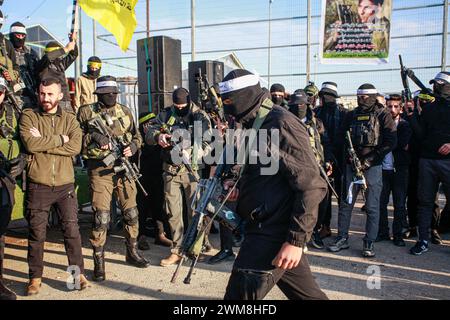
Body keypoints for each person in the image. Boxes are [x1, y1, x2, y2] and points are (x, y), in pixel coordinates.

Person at [219, 69, 327, 300]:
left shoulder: (280, 123)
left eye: (229, 101)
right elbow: (267, 174)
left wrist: (296, 240)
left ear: (245, 96)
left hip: (271, 232)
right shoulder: (255, 123)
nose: (226, 107)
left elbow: (312, 185)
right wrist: (238, 187)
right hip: (265, 226)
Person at [19, 77, 89, 296]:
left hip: (64, 186)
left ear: (60, 95)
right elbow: (30, 144)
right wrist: (60, 139)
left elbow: (75, 146)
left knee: (72, 232)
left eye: (50, 94)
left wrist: (45, 143)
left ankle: (77, 275)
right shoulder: (29, 116)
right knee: (37, 234)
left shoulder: (69, 118)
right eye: (42, 93)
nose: (45, 98)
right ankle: (35, 278)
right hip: (38, 185)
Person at [78, 76, 149, 281]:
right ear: (99, 94)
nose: (112, 97)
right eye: (107, 94)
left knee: (131, 212)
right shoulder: (86, 111)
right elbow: (76, 140)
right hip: (100, 169)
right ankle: (98, 261)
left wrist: (133, 147)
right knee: (101, 217)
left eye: (114, 94)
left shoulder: (125, 112)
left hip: (124, 170)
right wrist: (94, 138)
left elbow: (137, 136)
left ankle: (132, 251)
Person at [328, 83, 397, 258]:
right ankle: (342, 237)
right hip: (352, 166)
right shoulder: (351, 115)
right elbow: (340, 138)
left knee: (372, 206)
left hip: (372, 168)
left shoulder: (383, 114)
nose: (361, 99)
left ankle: (369, 241)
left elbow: (390, 141)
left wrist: (370, 160)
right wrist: (347, 158)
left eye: (365, 96)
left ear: (373, 96)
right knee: (346, 204)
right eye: (359, 96)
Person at [146, 88, 212, 267]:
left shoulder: (200, 116)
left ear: (189, 101)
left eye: (183, 106)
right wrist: (159, 136)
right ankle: (177, 250)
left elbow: (208, 142)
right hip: (170, 170)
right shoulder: (166, 114)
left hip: (192, 170)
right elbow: (149, 130)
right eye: (177, 106)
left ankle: (195, 248)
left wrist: (190, 152)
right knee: (173, 212)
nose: (180, 108)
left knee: (195, 212)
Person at [406, 72, 450, 255]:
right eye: (434, 84)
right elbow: (421, 135)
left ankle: (440, 231)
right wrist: (411, 116)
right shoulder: (430, 108)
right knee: (425, 202)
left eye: (439, 85)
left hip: (447, 161)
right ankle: (423, 240)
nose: (435, 88)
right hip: (428, 160)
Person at [288, 89, 332, 250]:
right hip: (296, 168)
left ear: (307, 105)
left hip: (317, 166)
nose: (299, 107)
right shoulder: (287, 121)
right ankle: (297, 235)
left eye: (302, 104)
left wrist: (328, 162)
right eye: (295, 105)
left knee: (321, 201)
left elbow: (325, 143)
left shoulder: (316, 122)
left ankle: (314, 231)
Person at [0, 76, 26, 300]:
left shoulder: (14, 111)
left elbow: (27, 138)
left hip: (5, 178)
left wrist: (22, 161)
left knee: (0, 229)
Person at [314, 82, 348, 240]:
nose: (324, 98)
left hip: (341, 159)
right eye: (322, 95)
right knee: (324, 196)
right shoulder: (317, 112)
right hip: (323, 159)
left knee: (342, 196)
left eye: (327, 95)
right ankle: (324, 226)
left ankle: (343, 230)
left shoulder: (343, 113)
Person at [377, 94, 412, 247]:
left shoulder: (404, 125)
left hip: (400, 170)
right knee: (381, 203)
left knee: (399, 204)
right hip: (383, 170)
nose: (392, 109)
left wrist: (389, 143)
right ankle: (383, 232)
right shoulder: (380, 123)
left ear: (401, 108)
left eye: (395, 106)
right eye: (389, 106)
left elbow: (402, 143)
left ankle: (398, 234)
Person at [136, 111, 172, 250]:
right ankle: (141, 236)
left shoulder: (158, 138)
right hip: (142, 178)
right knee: (142, 208)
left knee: (159, 205)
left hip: (158, 176)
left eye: (153, 124)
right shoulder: (139, 140)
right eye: (148, 124)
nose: (151, 127)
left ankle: (160, 235)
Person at [35, 33, 78, 113]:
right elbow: (48, 57)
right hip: (50, 102)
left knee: (70, 124)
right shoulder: (42, 65)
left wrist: (73, 41)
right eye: (57, 53)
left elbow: (73, 55)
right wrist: (65, 49)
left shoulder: (60, 64)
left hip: (65, 101)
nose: (58, 57)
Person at [9, 21, 39, 108]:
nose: (20, 38)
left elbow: (39, 70)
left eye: (23, 36)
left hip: (31, 95)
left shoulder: (30, 52)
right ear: (12, 35)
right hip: (12, 96)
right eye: (18, 35)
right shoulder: (6, 51)